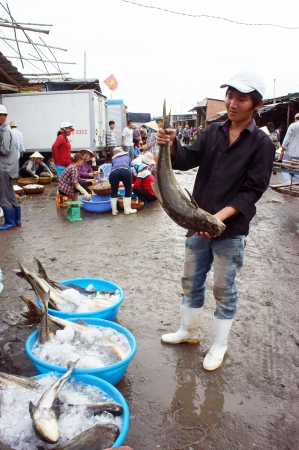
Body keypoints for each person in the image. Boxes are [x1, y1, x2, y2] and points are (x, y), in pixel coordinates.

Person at [156, 70, 274, 371]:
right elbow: (185, 159)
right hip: (197, 226)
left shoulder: (262, 143)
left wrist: (214, 220)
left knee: (224, 288)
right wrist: (170, 144)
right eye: (230, 96)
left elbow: (252, 190)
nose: (232, 103)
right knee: (191, 281)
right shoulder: (212, 132)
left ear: (256, 105)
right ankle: (188, 332)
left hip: (229, 230)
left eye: (241, 98)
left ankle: (219, 344)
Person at [0, 105, 20, 230]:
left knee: (3, 195)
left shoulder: (5, 130)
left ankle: (10, 222)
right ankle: (16, 220)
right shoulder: (5, 129)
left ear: (5, 116)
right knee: (11, 195)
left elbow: (5, 150)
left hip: (4, 168)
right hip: (8, 167)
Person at [109, 147, 137, 215]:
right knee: (128, 190)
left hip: (113, 173)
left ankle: (114, 211)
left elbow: (113, 167)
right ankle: (127, 210)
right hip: (125, 171)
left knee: (114, 191)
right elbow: (129, 168)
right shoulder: (127, 158)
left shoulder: (113, 159)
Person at [280, 113, 299, 183]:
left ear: (295, 118)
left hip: (290, 152)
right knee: (297, 170)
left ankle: (287, 182)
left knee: (284, 167)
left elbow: (287, 138)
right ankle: (295, 182)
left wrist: (282, 149)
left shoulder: (293, 125)